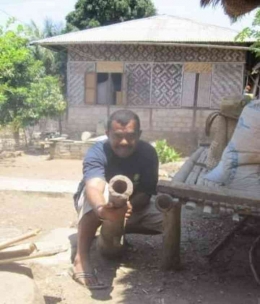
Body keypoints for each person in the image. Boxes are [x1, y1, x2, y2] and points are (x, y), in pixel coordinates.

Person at [71, 109, 163, 289]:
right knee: (100, 194)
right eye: (117, 136)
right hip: (99, 205)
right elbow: (94, 185)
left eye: (130, 136)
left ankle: (171, 261)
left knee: (168, 215)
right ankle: (80, 259)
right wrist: (102, 209)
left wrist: (127, 207)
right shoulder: (97, 152)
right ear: (107, 134)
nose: (124, 142)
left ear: (139, 134)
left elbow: (146, 192)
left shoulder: (148, 153)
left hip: (133, 206)